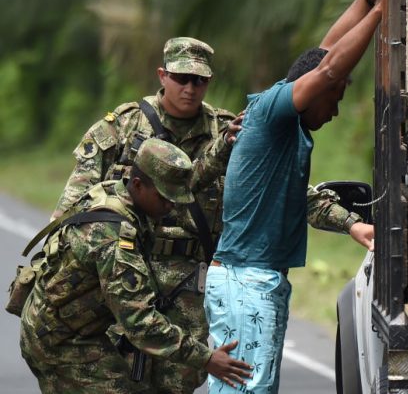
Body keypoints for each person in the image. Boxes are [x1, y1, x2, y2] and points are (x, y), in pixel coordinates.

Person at [51, 37, 374, 391]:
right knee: (121, 381)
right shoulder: (120, 128)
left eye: (199, 80)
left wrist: (350, 222)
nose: (190, 88)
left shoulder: (230, 129)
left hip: (191, 286)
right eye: (181, 78)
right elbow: (72, 212)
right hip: (127, 277)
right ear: (163, 75)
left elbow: (287, 192)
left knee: (182, 381)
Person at [203, 0, 408, 393]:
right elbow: (330, 66)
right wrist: (380, 9)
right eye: (333, 100)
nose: (334, 112)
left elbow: (325, 54)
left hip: (255, 277)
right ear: (316, 90)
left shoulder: (284, 121)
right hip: (247, 279)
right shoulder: (275, 112)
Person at [20, 138, 252, 393]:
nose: (171, 206)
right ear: (139, 185)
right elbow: (139, 322)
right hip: (61, 342)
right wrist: (207, 359)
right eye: (165, 198)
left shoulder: (115, 191)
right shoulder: (114, 237)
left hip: (68, 327)